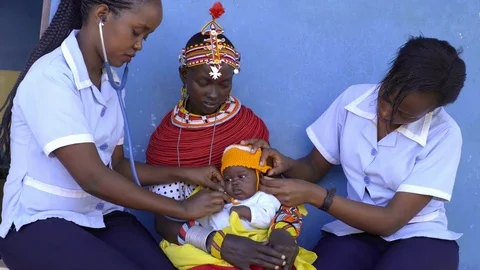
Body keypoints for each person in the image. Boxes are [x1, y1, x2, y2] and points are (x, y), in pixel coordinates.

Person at [0, 1, 231, 269]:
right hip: (39, 222)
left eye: (146, 36)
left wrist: (186, 173)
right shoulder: (51, 78)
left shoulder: (110, 82)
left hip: (100, 215)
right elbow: (93, 177)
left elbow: (118, 165)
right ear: (102, 15)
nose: (140, 44)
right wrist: (181, 209)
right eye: (136, 32)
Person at [243, 35, 467, 270]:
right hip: (354, 231)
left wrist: (315, 195)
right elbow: (312, 167)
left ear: (433, 109)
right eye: (386, 97)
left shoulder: (444, 134)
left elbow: (390, 221)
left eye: (404, 113)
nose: (385, 113)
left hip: (421, 236)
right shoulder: (353, 101)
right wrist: (285, 163)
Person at [147, 2, 303, 269]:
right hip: (200, 244)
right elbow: (164, 222)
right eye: (204, 82)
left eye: (224, 83)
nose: (214, 94)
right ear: (184, 75)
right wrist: (217, 243)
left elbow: (277, 196)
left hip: (259, 240)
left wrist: (284, 237)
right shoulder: (167, 142)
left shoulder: (249, 128)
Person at [160, 144, 317, 270]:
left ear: (258, 178)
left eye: (242, 177)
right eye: (228, 179)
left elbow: (269, 214)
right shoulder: (220, 198)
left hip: (257, 243)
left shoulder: (263, 197)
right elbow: (204, 221)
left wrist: (248, 212)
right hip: (219, 247)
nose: (234, 183)